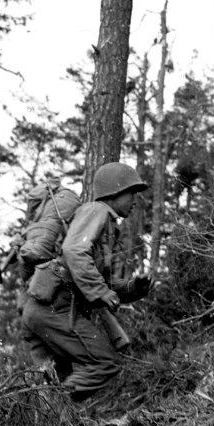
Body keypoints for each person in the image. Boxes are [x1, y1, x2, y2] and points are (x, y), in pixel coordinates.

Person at [21, 162, 152, 401]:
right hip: (56, 309)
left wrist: (133, 289)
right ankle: (58, 409)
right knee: (104, 363)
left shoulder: (107, 223)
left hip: (41, 310)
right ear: (116, 191)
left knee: (53, 381)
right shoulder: (97, 211)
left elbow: (102, 279)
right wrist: (100, 291)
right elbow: (74, 251)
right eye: (132, 194)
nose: (135, 201)